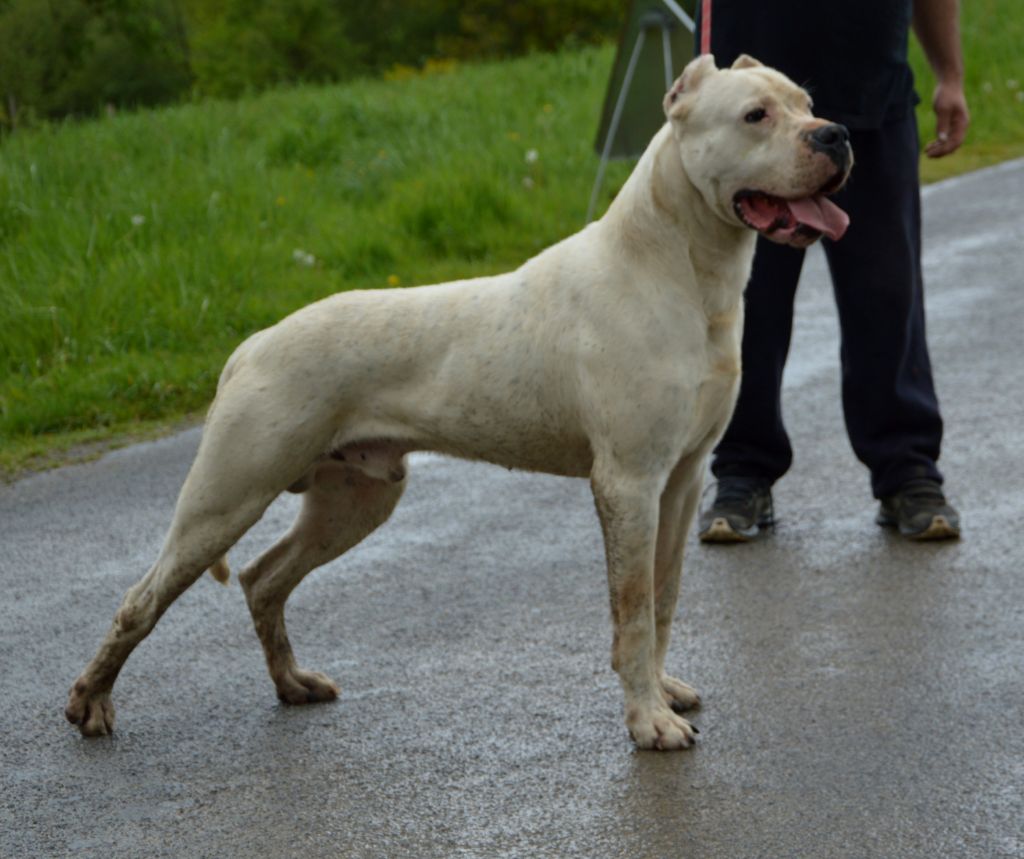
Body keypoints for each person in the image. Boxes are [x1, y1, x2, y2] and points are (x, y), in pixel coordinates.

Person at [694, 0, 970, 542]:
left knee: (889, 298)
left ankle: (908, 471)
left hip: (874, 100)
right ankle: (741, 472)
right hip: (751, 131)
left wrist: (950, 76)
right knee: (749, 304)